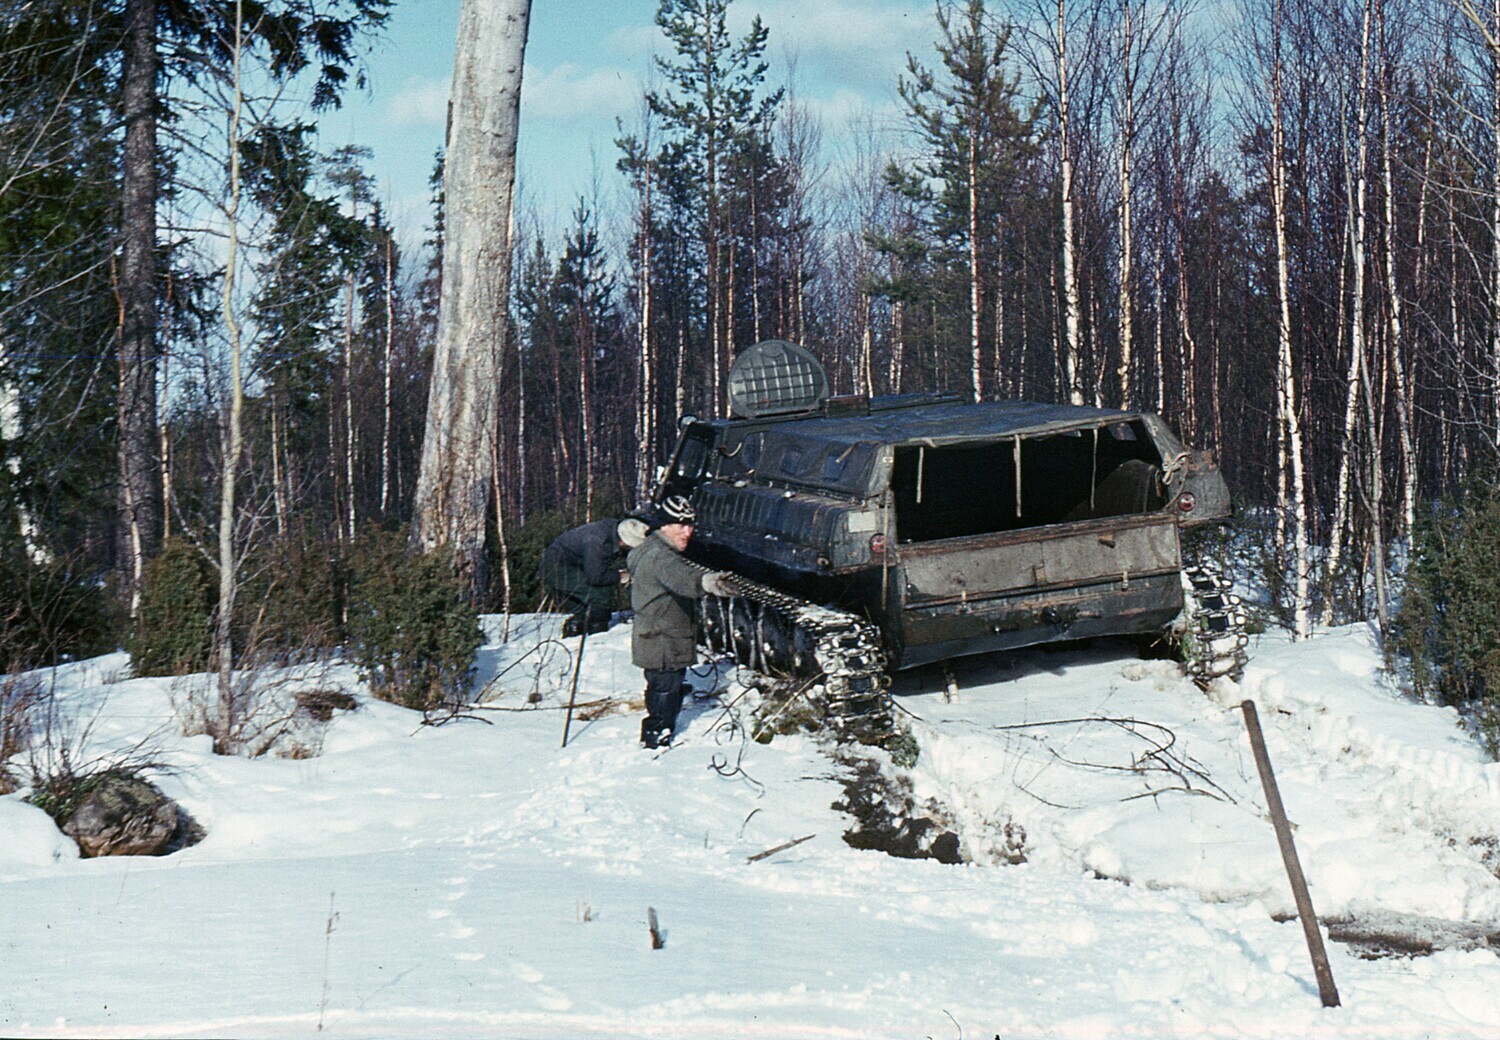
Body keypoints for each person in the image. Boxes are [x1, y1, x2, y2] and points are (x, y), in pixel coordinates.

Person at [626, 494, 731, 749]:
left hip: (654, 635)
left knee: (663, 685)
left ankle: (661, 721)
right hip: (664, 639)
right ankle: (656, 737)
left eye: (690, 525)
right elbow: (682, 578)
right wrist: (709, 582)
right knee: (664, 688)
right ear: (664, 526)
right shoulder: (661, 557)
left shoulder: (648, 548)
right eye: (680, 525)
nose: (687, 532)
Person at [541, 517, 649, 637]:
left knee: (585, 608)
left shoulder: (615, 529)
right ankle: (597, 635)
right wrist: (620, 576)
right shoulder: (597, 542)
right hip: (557, 566)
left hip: (572, 563)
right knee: (600, 595)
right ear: (623, 542)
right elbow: (595, 577)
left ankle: (578, 629)